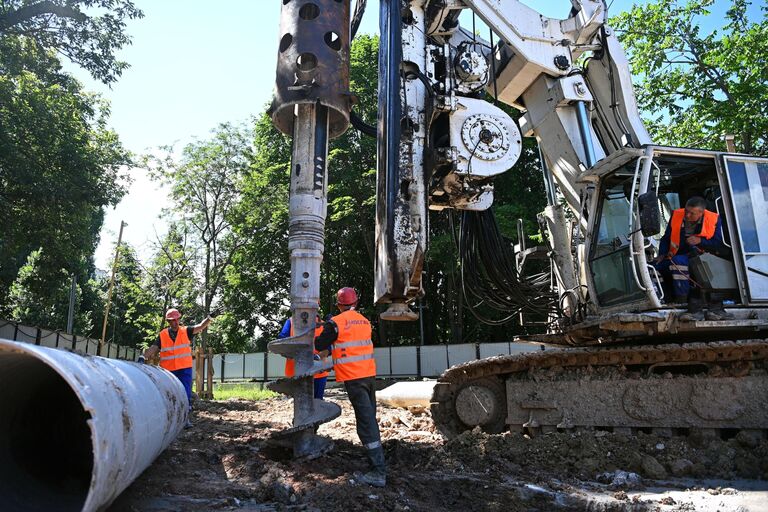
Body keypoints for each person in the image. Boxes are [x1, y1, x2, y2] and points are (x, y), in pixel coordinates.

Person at [315, 287, 386, 487]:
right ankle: (375, 459)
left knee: (365, 424)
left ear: (339, 304)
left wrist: (327, 325)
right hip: (369, 377)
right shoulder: (365, 321)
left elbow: (320, 344)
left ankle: (378, 472)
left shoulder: (335, 323)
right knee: (369, 418)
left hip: (353, 378)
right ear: (355, 303)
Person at [654, 196, 733, 321]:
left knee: (678, 262)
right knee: (655, 267)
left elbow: (719, 243)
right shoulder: (677, 216)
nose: (687, 215)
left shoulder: (714, 219)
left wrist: (700, 241)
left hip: (701, 256)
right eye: (686, 211)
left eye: (692, 213)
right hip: (677, 254)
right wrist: (662, 254)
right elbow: (666, 237)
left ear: (701, 213)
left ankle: (682, 301)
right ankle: (665, 299)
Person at [140, 308, 212, 427]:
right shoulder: (163, 334)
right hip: (168, 371)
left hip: (184, 369)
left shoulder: (186, 331)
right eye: (172, 320)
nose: (174, 322)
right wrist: (143, 356)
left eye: (176, 319)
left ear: (179, 319)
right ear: (168, 321)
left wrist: (209, 318)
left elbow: (200, 326)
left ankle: (185, 419)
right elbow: (154, 348)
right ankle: (169, 420)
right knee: (168, 394)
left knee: (185, 394)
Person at [278, 311, 329, 399]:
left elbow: (282, 343)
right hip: (318, 371)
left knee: (301, 403)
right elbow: (329, 346)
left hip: (298, 372)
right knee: (317, 402)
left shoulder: (291, 321)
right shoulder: (323, 324)